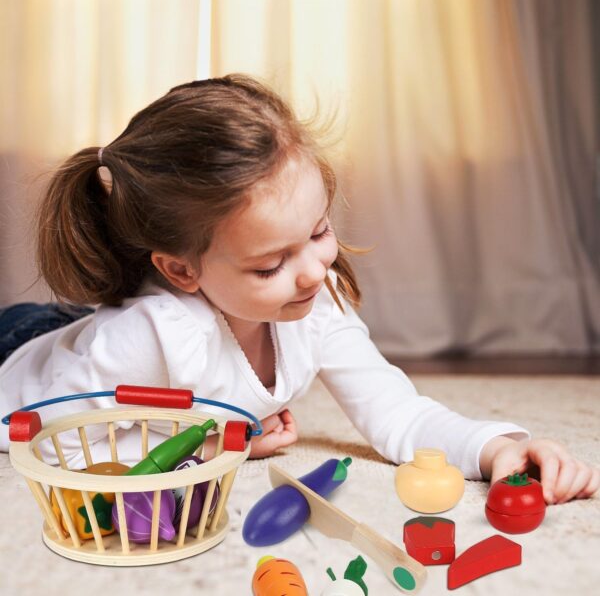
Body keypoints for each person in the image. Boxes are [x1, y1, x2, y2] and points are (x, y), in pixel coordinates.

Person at [0, 74, 597, 505]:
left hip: (82, 336)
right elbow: (53, 444)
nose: (313, 272)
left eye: (319, 231)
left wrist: (500, 449)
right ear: (182, 270)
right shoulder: (149, 335)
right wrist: (212, 450)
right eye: (270, 266)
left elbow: (397, 412)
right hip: (24, 359)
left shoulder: (314, 300)